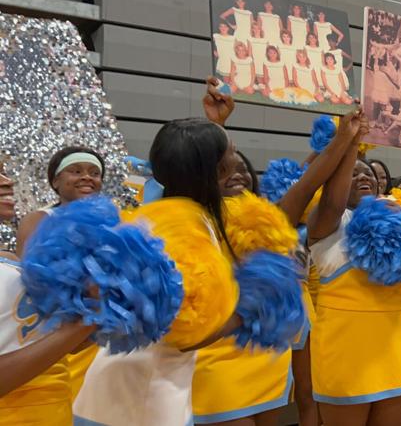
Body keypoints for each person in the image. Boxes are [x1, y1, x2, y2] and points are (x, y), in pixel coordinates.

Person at [193, 82, 363, 426]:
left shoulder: (272, 217)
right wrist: (217, 124)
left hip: (269, 353)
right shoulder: (197, 214)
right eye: (226, 168)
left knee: (302, 395)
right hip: (218, 352)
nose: (236, 173)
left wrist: (347, 139)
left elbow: (308, 183)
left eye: (243, 168)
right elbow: (199, 164)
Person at [74, 117, 245, 425]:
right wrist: (250, 310)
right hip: (142, 399)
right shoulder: (187, 231)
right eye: (232, 148)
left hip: (119, 388)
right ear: (219, 170)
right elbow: (184, 335)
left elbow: (194, 154)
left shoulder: (159, 211)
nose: (238, 152)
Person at [307, 128, 401, 426]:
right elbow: (331, 203)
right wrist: (352, 140)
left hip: (396, 354)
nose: (362, 177)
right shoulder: (326, 221)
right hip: (344, 359)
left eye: (367, 174)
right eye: (352, 174)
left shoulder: (397, 218)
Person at [0, 161, 95, 424]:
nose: (7, 181)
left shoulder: (9, 259)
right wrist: (90, 320)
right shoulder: (38, 225)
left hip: (55, 409)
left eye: (5, 171)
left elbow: (60, 345)